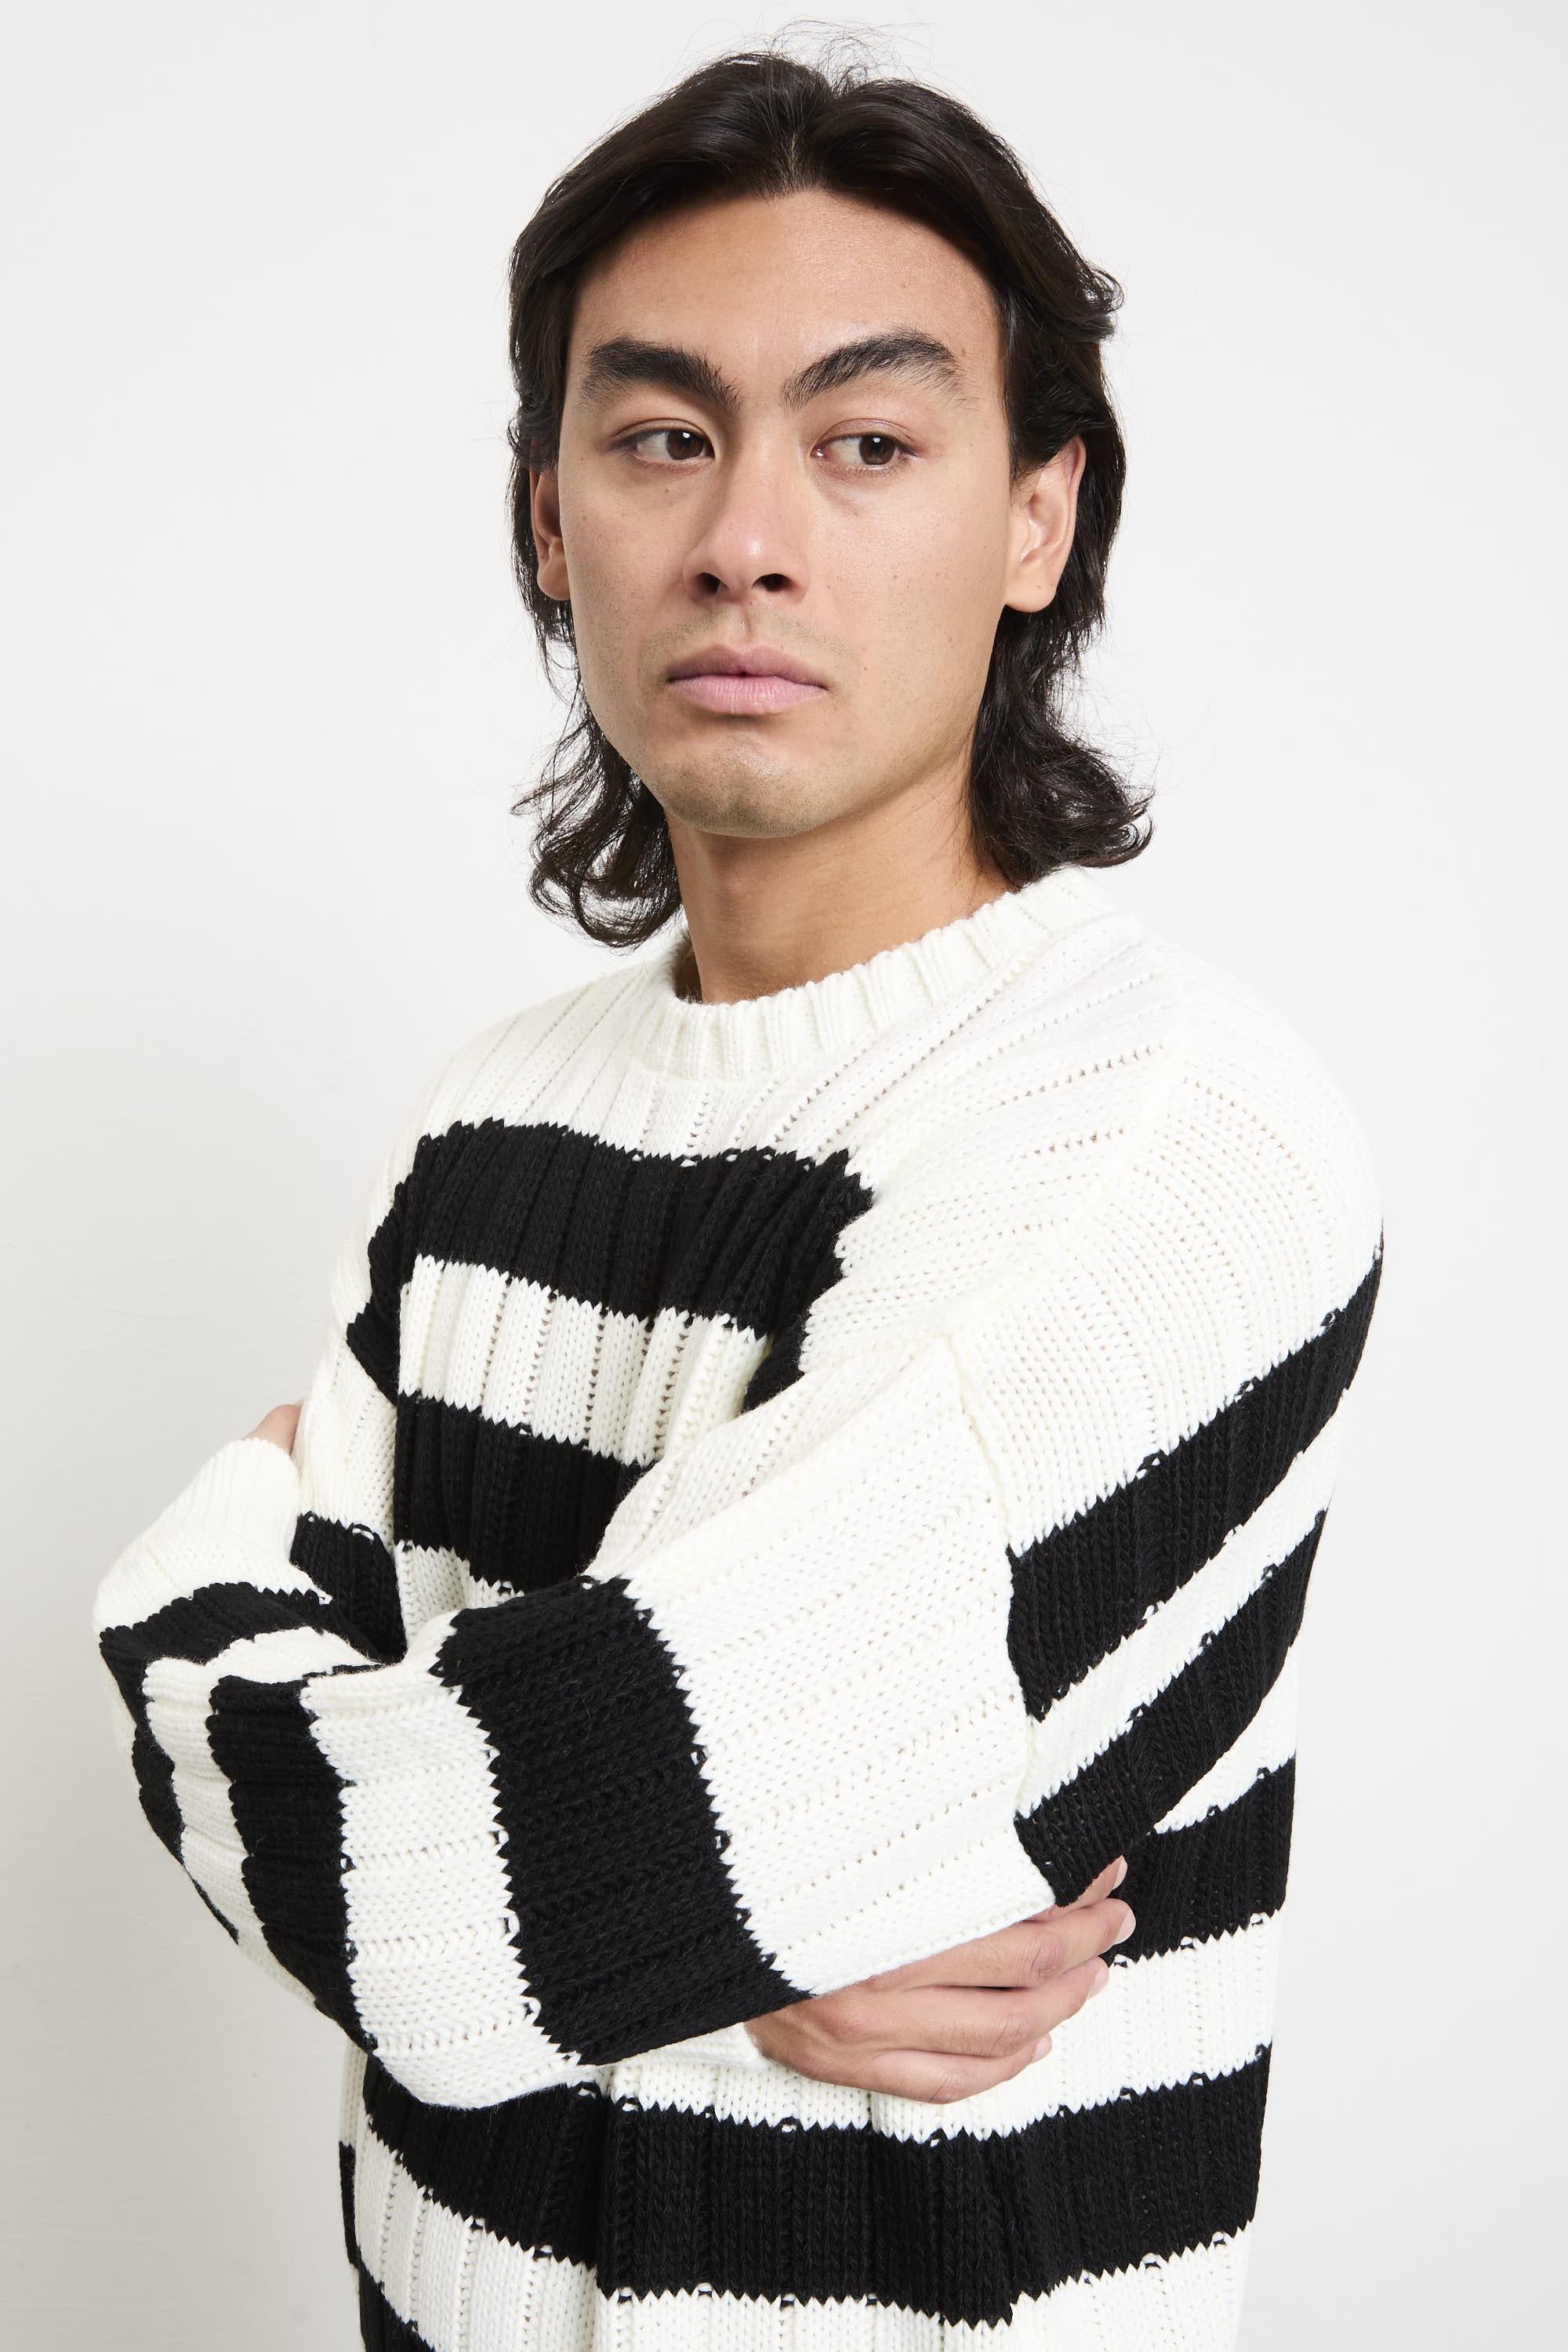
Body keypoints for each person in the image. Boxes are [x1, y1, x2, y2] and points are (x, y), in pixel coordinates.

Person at [92, 42, 1384, 2351]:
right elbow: (477, 1886)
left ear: (1038, 520)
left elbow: (430, 1908)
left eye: (867, 442)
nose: (745, 540)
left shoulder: (1170, 1147)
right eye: (661, 436)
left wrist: (192, 1586)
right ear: (548, 520)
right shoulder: (488, 1119)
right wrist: (705, 1911)